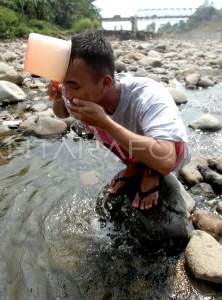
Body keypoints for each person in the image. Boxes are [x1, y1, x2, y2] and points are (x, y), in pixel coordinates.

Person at [48, 30, 190, 210]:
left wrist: (105, 122)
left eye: (72, 85)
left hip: (169, 152)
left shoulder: (148, 95)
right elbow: (62, 114)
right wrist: (58, 97)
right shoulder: (83, 94)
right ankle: (134, 165)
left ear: (106, 83)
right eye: (63, 83)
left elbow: (167, 159)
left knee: (102, 125)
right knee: (97, 127)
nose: (67, 92)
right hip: (133, 146)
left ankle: (149, 170)